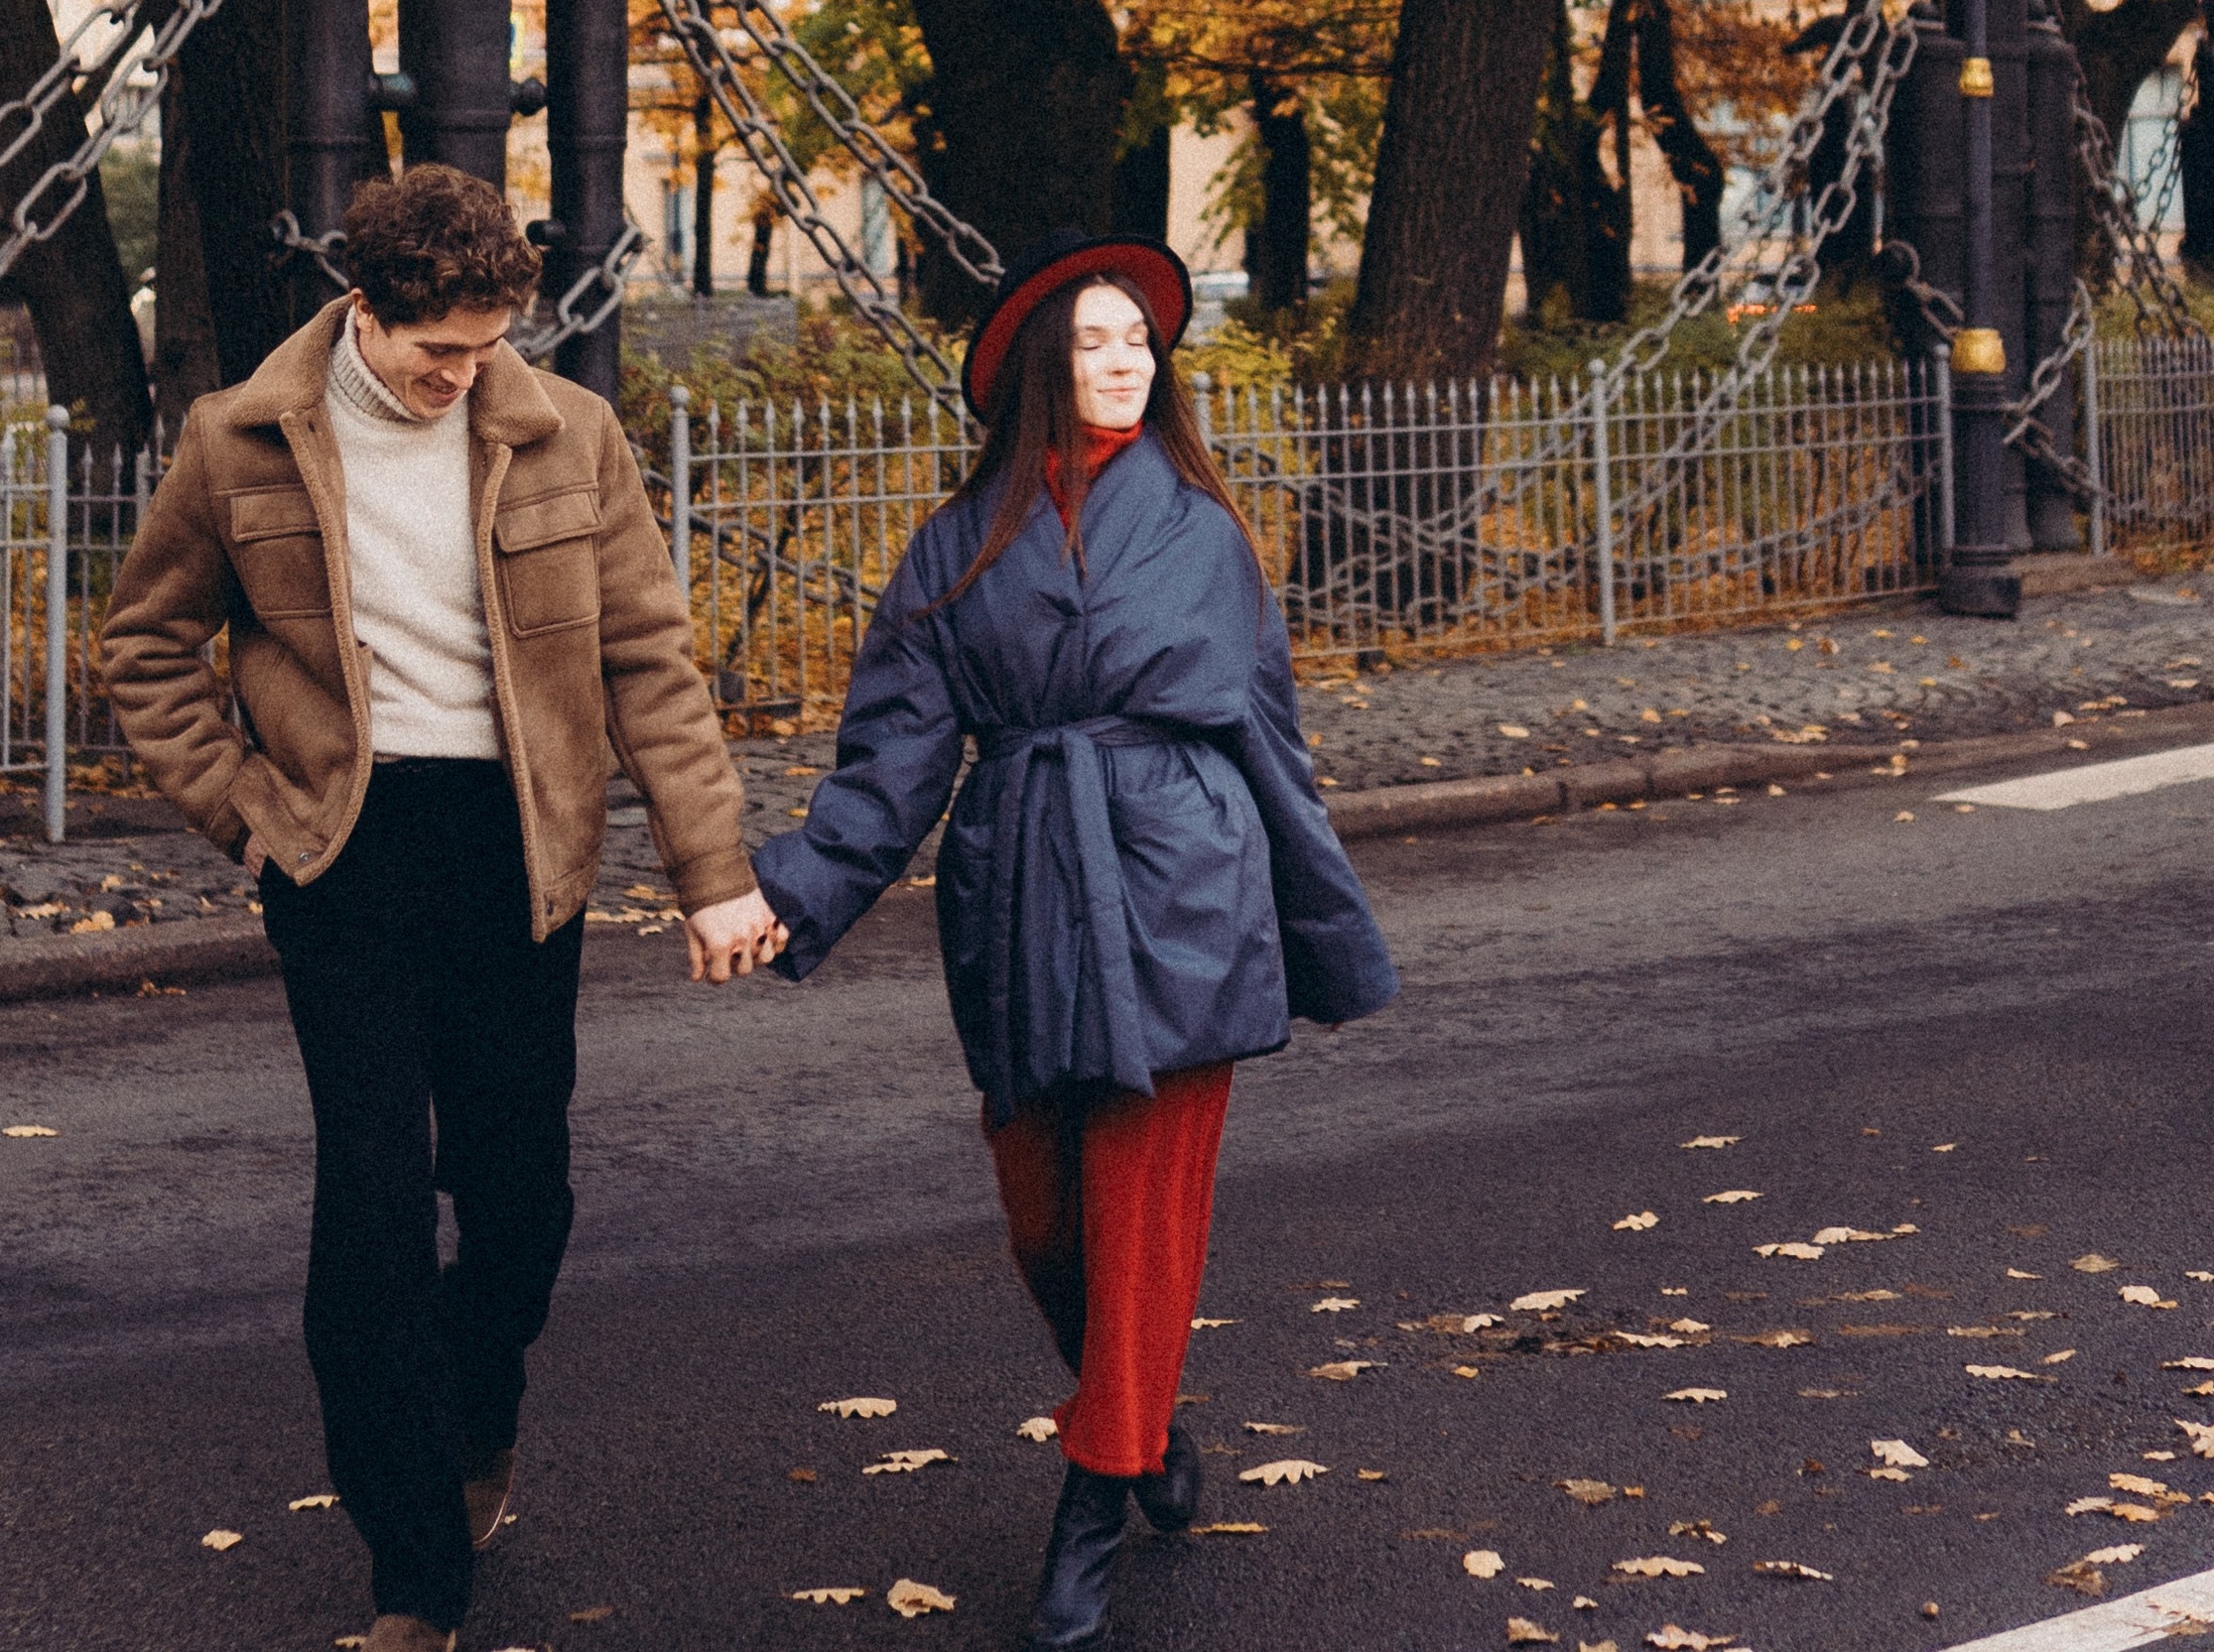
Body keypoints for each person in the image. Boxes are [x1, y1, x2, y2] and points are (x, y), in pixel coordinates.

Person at [101, 163, 784, 1652]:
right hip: (341, 851)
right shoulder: (239, 442)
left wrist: (714, 872)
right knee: (372, 1203)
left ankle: (480, 1407)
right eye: (437, 352)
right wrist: (243, 813)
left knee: (520, 1193)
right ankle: (414, 1571)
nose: (462, 377)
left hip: (519, 849)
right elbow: (146, 645)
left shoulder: (569, 434)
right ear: (365, 305)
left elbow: (650, 665)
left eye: (487, 348)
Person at [752, 226, 1397, 1652]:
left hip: (1183, 888)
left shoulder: (1203, 528)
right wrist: (791, 893)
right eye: (1094, 342)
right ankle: (1146, 1426)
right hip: (1021, 893)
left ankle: (1094, 1505)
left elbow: (1269, 736)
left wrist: (1325, 929)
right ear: (1043, 365)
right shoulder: (955, 546)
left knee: (1141, 1218)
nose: (1123, 363)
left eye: (1138, 342)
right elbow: (892, 760)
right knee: (1048, 1223)